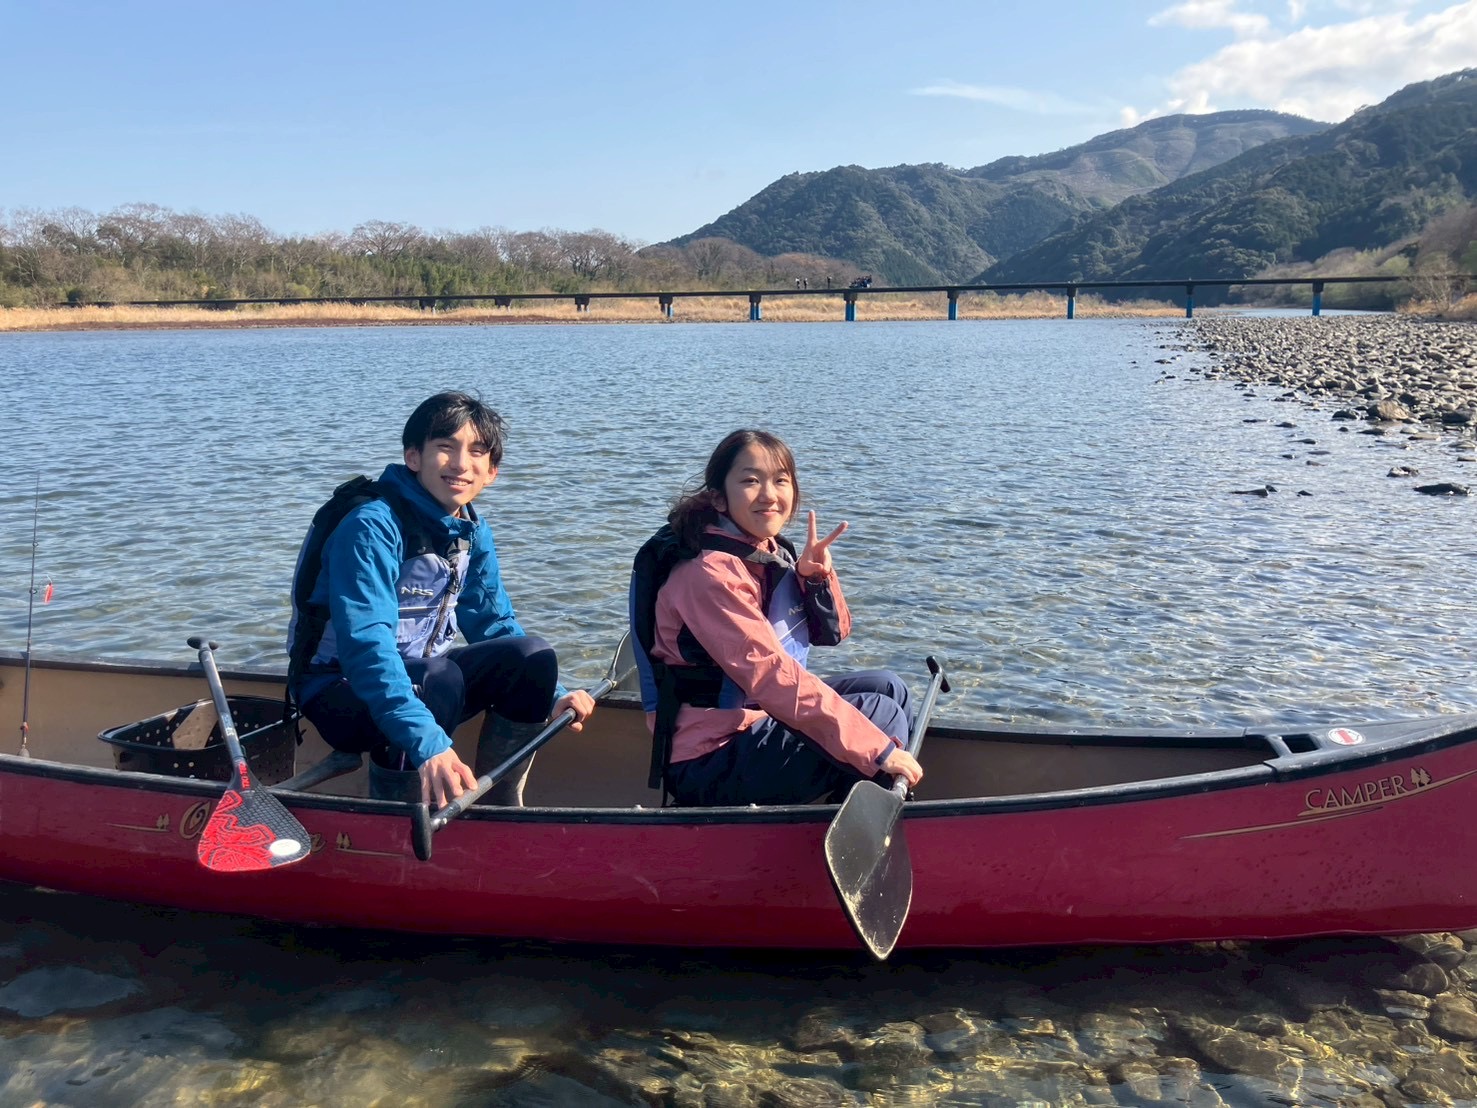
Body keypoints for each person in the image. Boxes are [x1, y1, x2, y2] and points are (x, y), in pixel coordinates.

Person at [287, 391, 595, 807]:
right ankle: (398, 811)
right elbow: (366, 649)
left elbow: (493, 623)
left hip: (421, 685)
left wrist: (557, 693)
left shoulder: (468, 529)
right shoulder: (371, 527)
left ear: (492, 472)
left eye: (477, 452)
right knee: (439, 678)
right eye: (445, 448)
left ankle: (499, 807)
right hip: (339, 689)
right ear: (413, 457)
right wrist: (429, 743)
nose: (461, 464)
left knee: (532, 657)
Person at [630, 429, 922, 807]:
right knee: (878, 718)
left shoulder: (760, 550)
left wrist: (815, 579)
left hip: (753, 718)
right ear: (718, 496)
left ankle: (873, 799)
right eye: (751, 481)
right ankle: (861, 822)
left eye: (781, 480)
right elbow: (770, 674)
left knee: (889, 688)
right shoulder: (707, 574)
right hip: (707, 759)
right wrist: (878, 751)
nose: (770, 494)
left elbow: (833, 633)